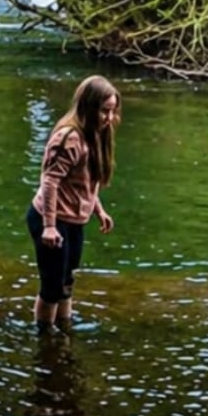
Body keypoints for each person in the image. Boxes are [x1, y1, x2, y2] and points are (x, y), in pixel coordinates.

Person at [27, 75, 121, 333]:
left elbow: (84, 182)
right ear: (88, 107)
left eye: (113, 111)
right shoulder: (70, 137)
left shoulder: (95, 135)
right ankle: (45, 336)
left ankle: (64, 329)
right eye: (104, 111)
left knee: (67, 281)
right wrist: (48, 227)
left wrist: (98, 210)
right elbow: (50, 182)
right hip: (51, 219)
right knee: (52, 286)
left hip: (73, 221)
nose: (109, 118)